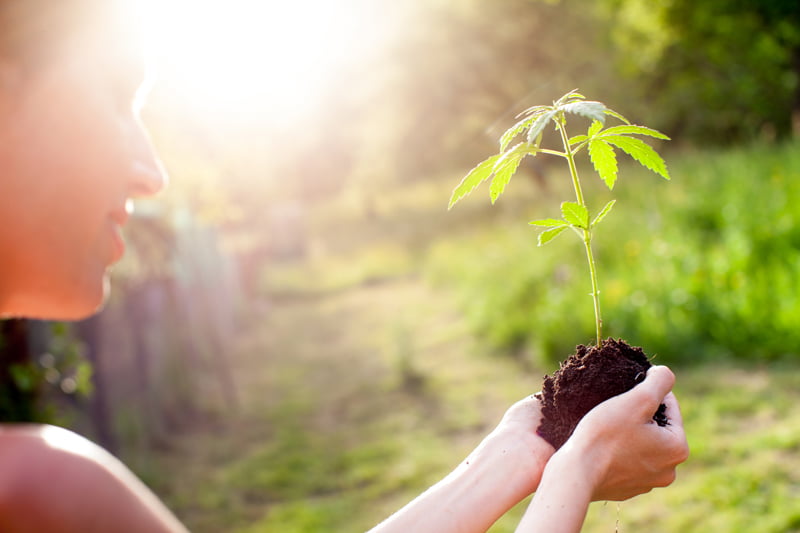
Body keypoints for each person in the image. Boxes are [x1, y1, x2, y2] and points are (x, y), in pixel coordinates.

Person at [0, 1, 688, 532]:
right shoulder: (34, 485)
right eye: (118, 97)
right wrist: (583, 465)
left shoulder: (38, 476)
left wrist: (524, 454)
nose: (152, 171)